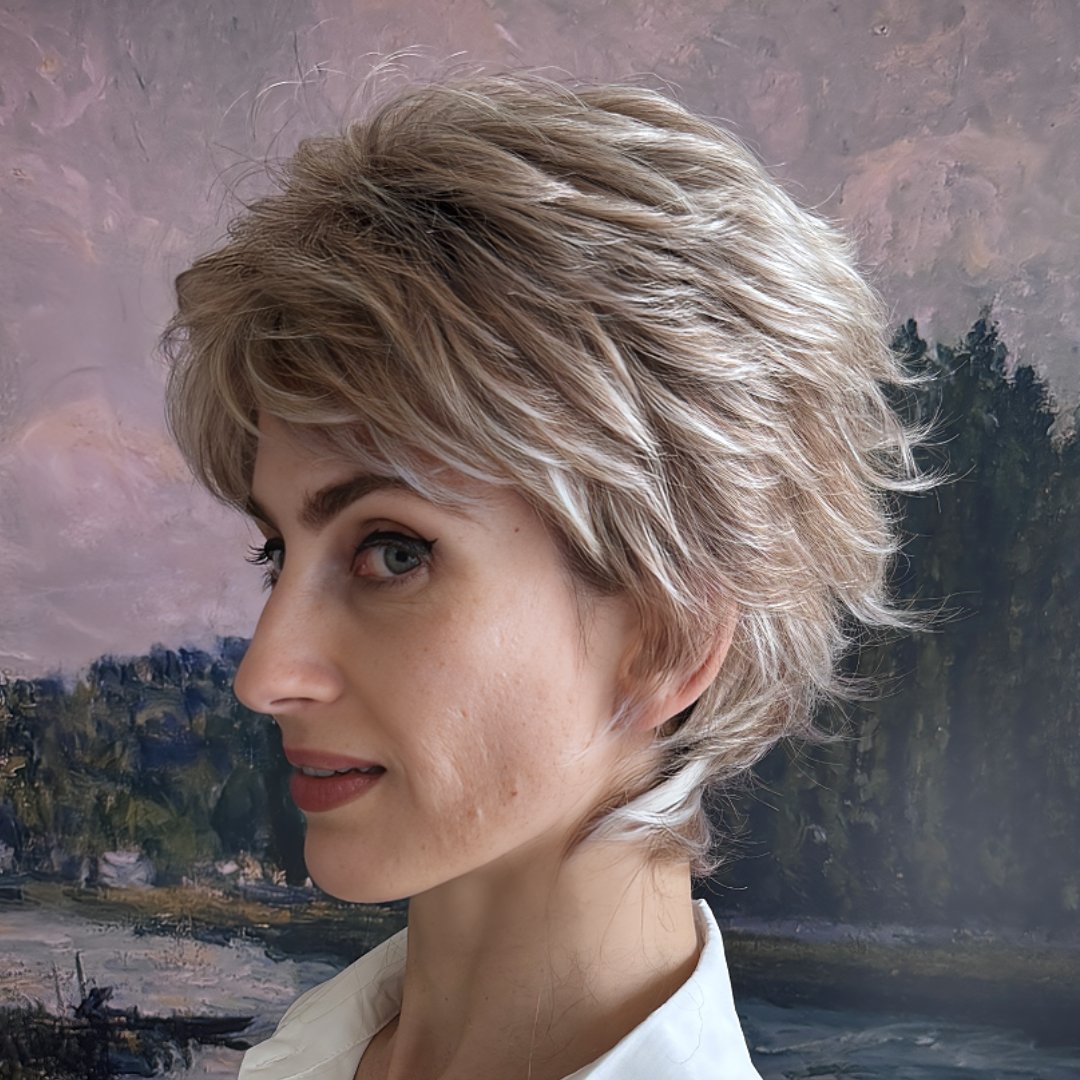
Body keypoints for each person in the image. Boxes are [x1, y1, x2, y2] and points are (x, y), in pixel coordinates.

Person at [163, 73, 921, 1080]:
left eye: (394, 552)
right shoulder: (305, 1054)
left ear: (666, 634)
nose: (265, 675)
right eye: (277, 555)